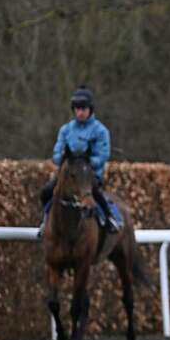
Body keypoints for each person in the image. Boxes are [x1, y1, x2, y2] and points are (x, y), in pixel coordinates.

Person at [37, 85, 120, 236]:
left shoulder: (100, 131)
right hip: (68, 176)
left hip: (88, 176)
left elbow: (103, 155)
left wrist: (83, 164)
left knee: (95, 194)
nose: (80, 112)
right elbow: (56, 155)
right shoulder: (65, 130)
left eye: (84, 108)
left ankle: (109, 219)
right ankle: (45, 220)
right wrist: (68, 163)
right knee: (45, 192)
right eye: (77, 109)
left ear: (90, 109)